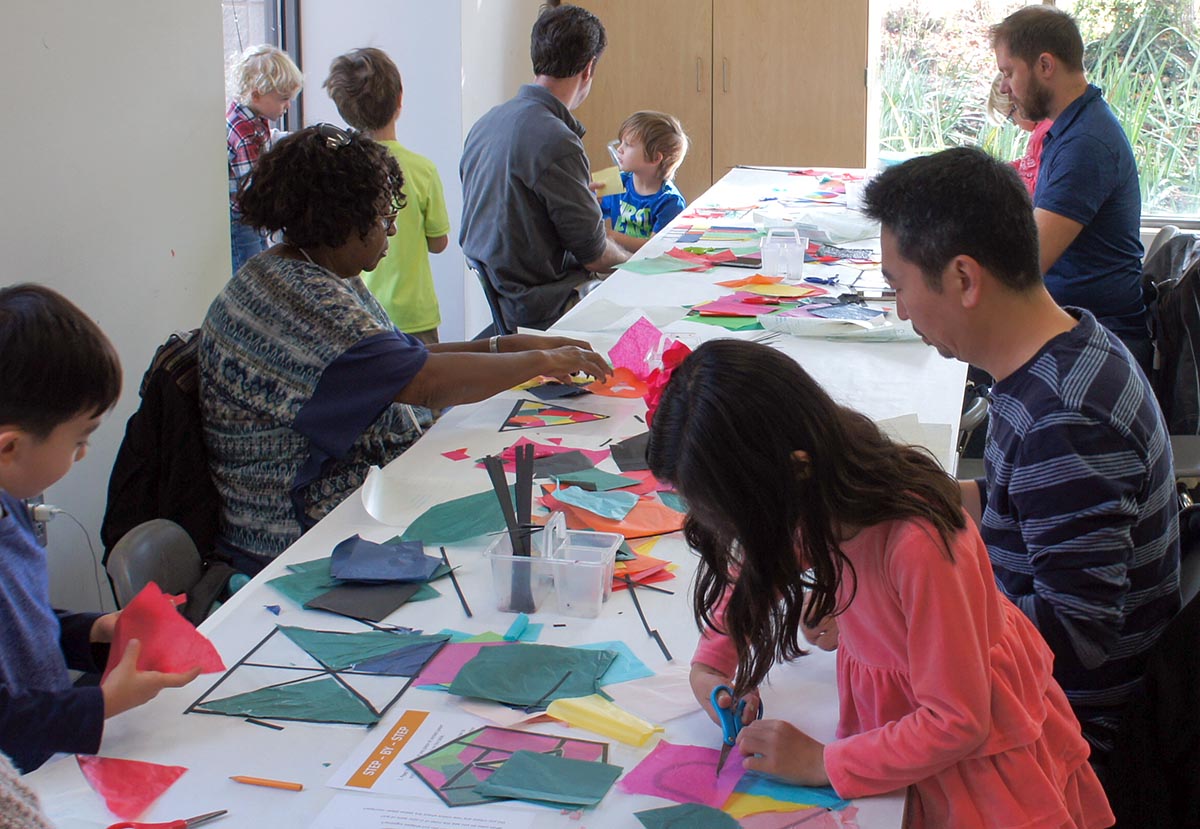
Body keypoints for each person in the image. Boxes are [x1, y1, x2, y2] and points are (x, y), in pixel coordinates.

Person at [648, 339, 1114, 828]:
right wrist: (712, 667)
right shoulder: (817, 496)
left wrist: (821, 763)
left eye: (742, 522)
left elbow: (957, 723)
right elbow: (755, 571)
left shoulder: (919, 542)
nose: (741, 541)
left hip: (968, 769)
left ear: (796, 471)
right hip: (902, 741)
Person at [862, 146, 1179, 772]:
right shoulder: (1062, 349)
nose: (899, 310)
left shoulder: (1065, 419)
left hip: (1067, 729)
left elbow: (1075, 635)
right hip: (1032, 675)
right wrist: (889, 494)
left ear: (963, 278)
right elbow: (1019, 504)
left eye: (899, 287)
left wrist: (901, 625)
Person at [200, 125, 612, 571]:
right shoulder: (302, 301)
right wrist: (541, 360)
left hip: (343, 495)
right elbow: (426, 384)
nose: (393, 228)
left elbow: (397, 360)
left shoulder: (305, 269)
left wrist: (509, 345)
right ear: (341, 223)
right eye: (381, 218)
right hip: (298, 534)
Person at [0, 284, 201, 773]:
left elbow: (18, 626)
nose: (84, 453)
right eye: (79, 440)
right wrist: (104, 704)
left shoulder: (11, 507)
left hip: (51, 758)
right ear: (10, 448)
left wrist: (93, 631)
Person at [991, 6, 1148, 369]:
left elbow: (1026, 265)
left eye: (1008, 72)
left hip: (1098, 341)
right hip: (1070, 323)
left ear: (1045, 66)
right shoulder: (1071, 128)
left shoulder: (1087, 144)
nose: (1003, 87)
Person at [459, 4, 629, 331]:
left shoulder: (488, 123)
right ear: (589, 68)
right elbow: (595, 255)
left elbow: (512, 211)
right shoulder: (557, 140)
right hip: (545, 307)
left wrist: (573, 203)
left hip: (506, 300)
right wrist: (633, 263)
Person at [324, 47, 450, 345]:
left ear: (343, 108)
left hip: (358, 310)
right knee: (425, 384)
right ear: (400, 100)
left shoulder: (337, 171)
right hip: (414, 313)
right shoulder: (422, 170)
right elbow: (439, 242)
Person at [227, 44, 303, 275]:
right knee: (252, 271)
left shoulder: (250, 117)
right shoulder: (245, 132)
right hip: (242, 219)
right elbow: (251, 187)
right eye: (283, 99)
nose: (288, 106)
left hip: (249, 217)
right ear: (256, 94)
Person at [600, 111, 689, 252]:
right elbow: (589, 215)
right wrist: (590, 198)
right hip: (615, 261)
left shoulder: (670, 201)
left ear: (655, 158)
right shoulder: (616, 180)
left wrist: (609, 235)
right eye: (621, 142)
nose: (619, 149)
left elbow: (654, 248)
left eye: (628, 144)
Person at [986, 71, 1051, 198]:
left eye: (1010, 118)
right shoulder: (1042, 129)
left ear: (1018, 104)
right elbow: (1028, 165)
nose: (1015, 125)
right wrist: (1000, 171)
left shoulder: (1045, 133)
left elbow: (1035, 185)